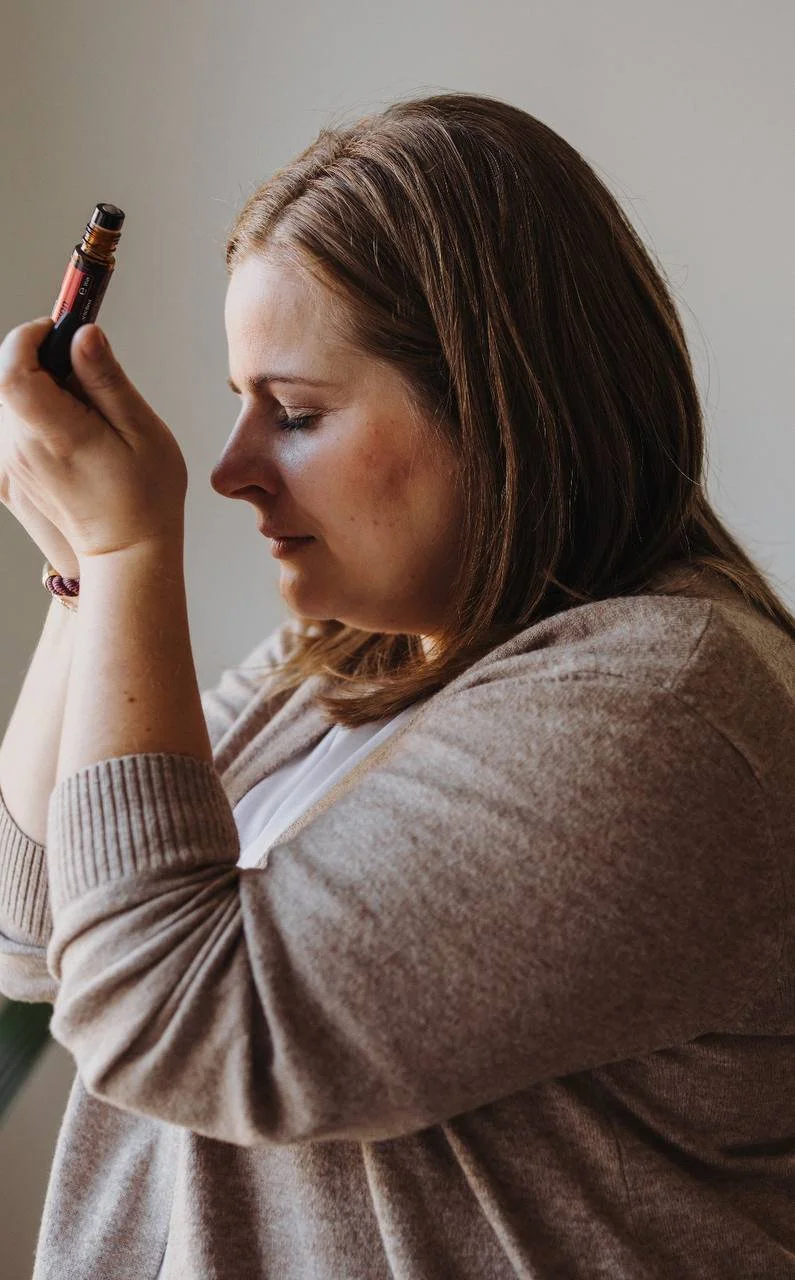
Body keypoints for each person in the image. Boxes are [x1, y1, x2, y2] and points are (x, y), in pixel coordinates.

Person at [0, 91, 793, 1279]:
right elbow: (38, 928)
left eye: (293, 412)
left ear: (501, 402)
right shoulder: (353, 659)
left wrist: (128, 553)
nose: (230, 468)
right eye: (239, 402)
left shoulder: (662, 711)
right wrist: (80, 574)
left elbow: (174, 1020)